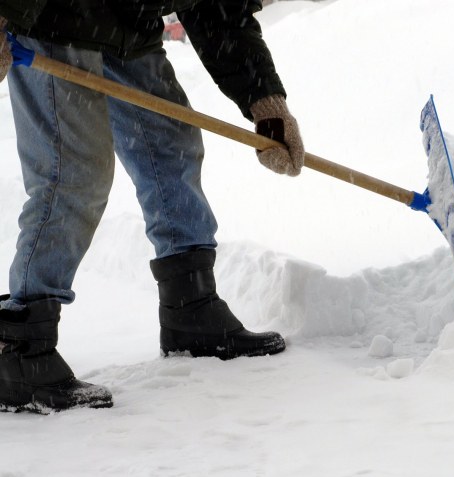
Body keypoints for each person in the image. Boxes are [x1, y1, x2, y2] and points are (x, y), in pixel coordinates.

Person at [0, 1, 305, 414]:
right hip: (51, 17)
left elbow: (219, 11)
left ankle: (190, 308)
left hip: (127, 23)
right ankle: (21, 348)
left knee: (171, 145)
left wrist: (265, 101)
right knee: (71, 171)